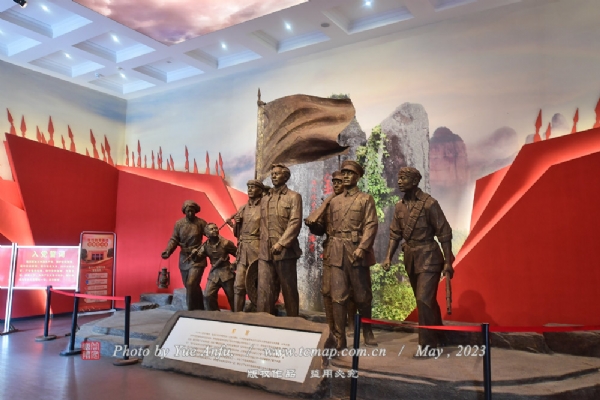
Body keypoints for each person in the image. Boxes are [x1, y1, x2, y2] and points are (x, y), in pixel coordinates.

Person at [381, 167, 454, 349]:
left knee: (423, 299)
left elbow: (444, 233)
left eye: (404, 178)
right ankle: (439, 335)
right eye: (399, 178)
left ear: (414, 181)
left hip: (430, 256)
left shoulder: (429, 204)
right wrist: (388, 257)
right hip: (411, 258)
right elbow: (395, 234)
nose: (399, 181)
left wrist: (448, 261)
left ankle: (427, 345)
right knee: (426, 300)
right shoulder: (399, 207)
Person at [324, 161, 378, 349]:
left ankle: (367, 331)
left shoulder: (365, 199)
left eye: (350, 173)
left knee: (362, 296)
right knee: (338, 296)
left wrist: (362, 248)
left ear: (358, 177)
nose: (345, 176)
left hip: (356, 251)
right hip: (337, 251)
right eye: (344, 173)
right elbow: (329, 227)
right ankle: (340, 337)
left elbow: (371, 225)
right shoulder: (334, 201)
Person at [305, 171, 358, 338]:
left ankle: (351, 323)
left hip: (350, 249)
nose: (336, 185)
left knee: (350, 289)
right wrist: (313, 225)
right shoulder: (328, 204)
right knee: (327, 290)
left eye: (339, 182)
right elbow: (321, 230)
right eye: (334, 182)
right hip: (330, 250)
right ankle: (332, 327)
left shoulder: (355, 201)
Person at [257, 163, 302, 317]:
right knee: (264, 290)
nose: (273, 176)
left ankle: (293, 321)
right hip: (265, 252)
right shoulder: (265, 199)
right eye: (272, 174)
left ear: (286, 177)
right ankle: (263, 321)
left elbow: (295, 223)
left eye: (277, 173)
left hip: (285, 252)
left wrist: (281, 243)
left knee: (288, 289)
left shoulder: (294, 197)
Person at [161, 200, 207, 311]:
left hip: (197, 258)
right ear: (184, 211)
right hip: (184, 258)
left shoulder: (201, 223)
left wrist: (202, 250)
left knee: (191, 284)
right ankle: (199, 309)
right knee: (190, 286)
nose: (190, 213)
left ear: (195, 211)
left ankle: (191, 311)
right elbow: (174, 239)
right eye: (188, 211)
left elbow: (211, 237)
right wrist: (168, 250)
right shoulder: (179, 224)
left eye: (192, 211)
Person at [231, 179, 265, 312]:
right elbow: (236, 234)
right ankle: (236, 315)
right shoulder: (243, 208)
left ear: (260, 190)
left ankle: (260, 314)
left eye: (253, 187)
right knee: (238, 286)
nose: (250, 189)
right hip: (243, 250)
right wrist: (237, 223)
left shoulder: (264, 208)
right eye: (249, 187)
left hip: (257, 250)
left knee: (259, 285)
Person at [199, 223, 237, 311]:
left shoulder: (226, 243)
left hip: (227, 274)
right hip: (214, 274)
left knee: (232, 297)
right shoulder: (205, 246)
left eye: (215, 228)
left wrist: (234, 264)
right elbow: (198, 258)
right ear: (207, 234)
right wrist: (194, 254)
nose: (215, 230)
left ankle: (236, 315)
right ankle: (215, 314)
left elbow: (239, 254)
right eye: (212, 229)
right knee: (208, 295)